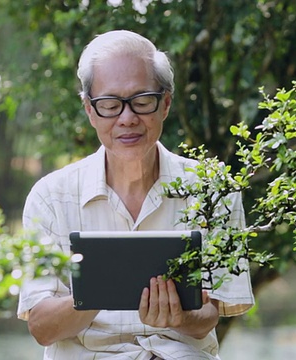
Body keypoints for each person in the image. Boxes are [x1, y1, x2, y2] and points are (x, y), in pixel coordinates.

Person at [17, 29, 254, 360]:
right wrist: (102, 289)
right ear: (89, 110)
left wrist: (181, 316)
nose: (127, 119)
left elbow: (210, 315)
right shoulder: (50, 196)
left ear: (166, 103)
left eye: (142, 102)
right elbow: (42, 327)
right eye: (110, 105)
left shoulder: (213, 188)